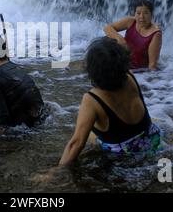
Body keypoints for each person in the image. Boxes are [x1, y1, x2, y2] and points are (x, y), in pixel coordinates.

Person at [58, 37, 162, 166]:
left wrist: (54, 173)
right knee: (91, 133)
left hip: (124, 156)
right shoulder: (130, 76)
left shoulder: (91, 99)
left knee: (84, 134)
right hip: (153, 140)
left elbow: (77, 143)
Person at [104, 0, 162, 70]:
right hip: (122, 64)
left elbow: (152, 65)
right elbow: (107, 28)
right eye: (138, 13)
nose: (141, 17)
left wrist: (148, 79)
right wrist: (119, 39)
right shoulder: (131, 21)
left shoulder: (156, 34)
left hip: (138, 72)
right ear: (134, 14)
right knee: (106, 40)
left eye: (146, 13)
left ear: (152, 15)